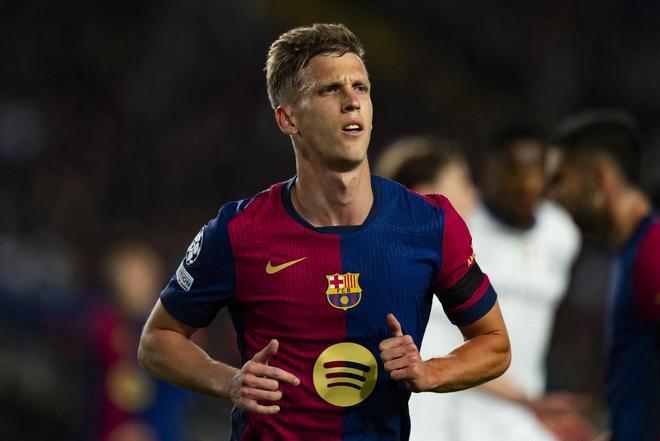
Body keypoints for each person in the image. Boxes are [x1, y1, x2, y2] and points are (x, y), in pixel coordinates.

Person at [138, 23, 511, 440]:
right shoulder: (239, 231)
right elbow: (157, 339)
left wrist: (431, 372)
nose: (352, 101)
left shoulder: (430, 223)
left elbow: (494, 342)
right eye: (330, 90)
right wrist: (227, 381)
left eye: (361, 87)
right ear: (288, 118)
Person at [400, 128, 592, 441]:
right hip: (456, 406)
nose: (472, 194)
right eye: (463, 182)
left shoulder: (561, 234)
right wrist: (527, 401)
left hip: (505, 404)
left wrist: (529, 402)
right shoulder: (437, 256)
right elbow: (445, 351)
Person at [548, 110, 660, 441]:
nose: (553, 195)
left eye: (560, 179)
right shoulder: (630, 253)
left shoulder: (652, 250)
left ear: (598, 177)